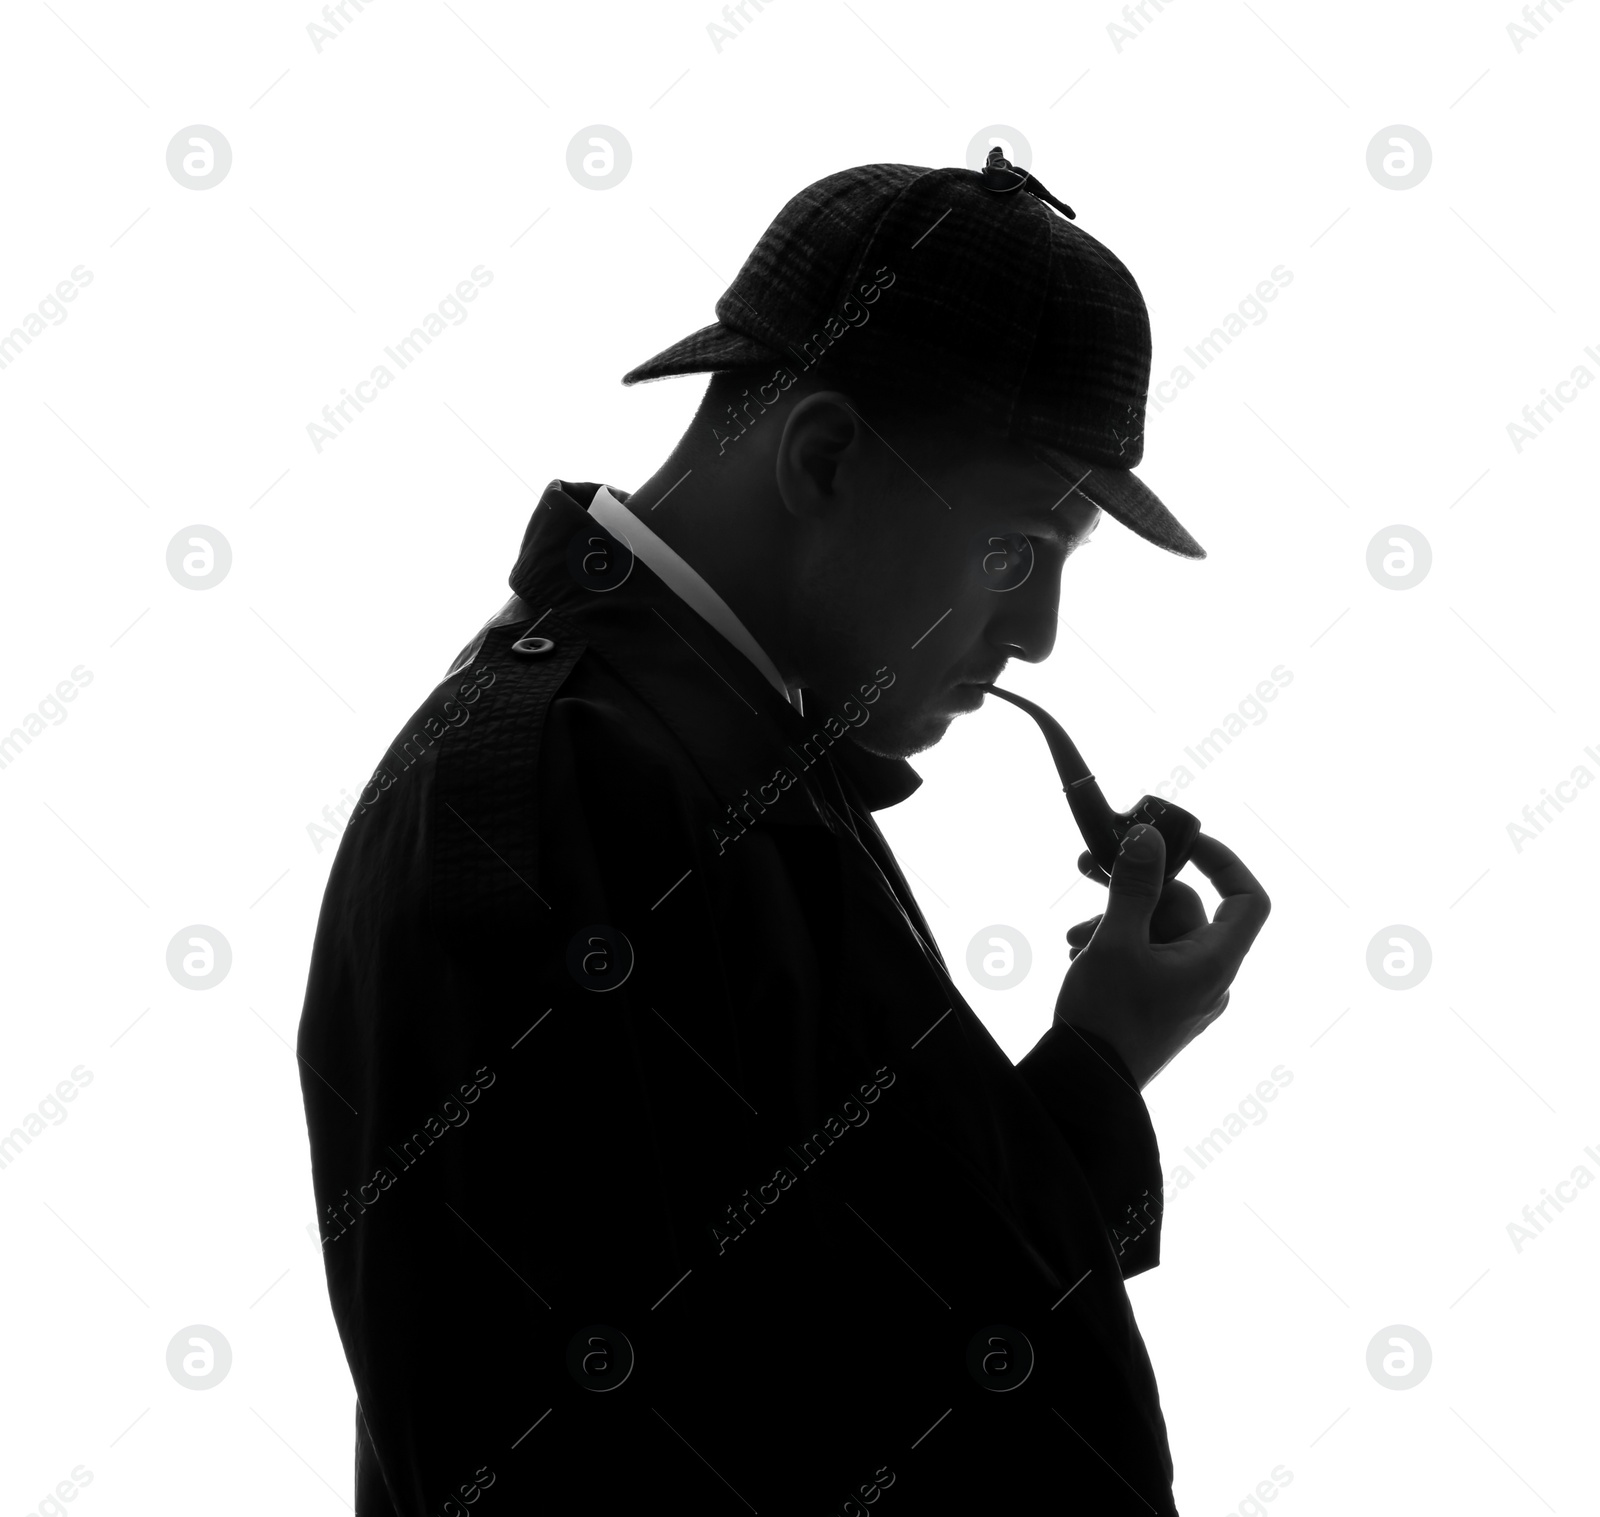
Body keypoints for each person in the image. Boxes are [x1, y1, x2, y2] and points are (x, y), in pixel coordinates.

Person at [297, 150, 1271, 1515]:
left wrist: (1101, 1060)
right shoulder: (570, 788)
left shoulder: (716, 760)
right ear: (820, 456)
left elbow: (843, 1298)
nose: (1039, 630)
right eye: (1020, 546)